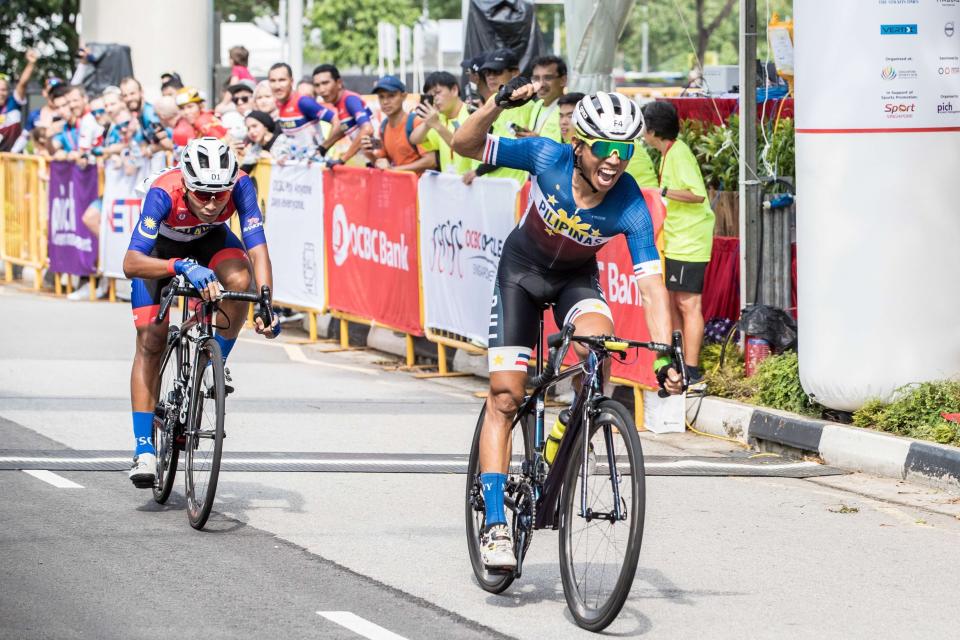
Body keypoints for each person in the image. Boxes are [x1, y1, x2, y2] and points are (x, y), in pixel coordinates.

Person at [451, 82, 684, 569]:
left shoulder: (631, 204)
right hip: (519, 276)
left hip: (575, 281)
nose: (614, 160)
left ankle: (581, 419)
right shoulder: (544, 156)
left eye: (624, 149)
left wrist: (665, 353)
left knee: (598, 348)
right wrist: (498, 104)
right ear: (578, 144)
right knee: (507, 396)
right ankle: (496, 524)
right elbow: (464, 145)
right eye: (603, 147)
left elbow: (651, 287)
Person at [122, 138, 279, 486]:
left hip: (210, 241)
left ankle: (214, 359)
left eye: (219, 195)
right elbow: (131, 263)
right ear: (186, 185)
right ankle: (144, 448)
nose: (211, 203)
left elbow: (257, 246)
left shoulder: (240, 185)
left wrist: (267, 302)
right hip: (162, 255)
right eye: (202, 194)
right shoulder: (163, 193)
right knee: (151, 339)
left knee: (241, 282)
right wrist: (180, 266)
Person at [641, 100, 716, 384]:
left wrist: (664, 191)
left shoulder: (679, 154)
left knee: (688, 304)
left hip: (690, 241)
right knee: (675, 302)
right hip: (678, 239)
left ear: (653, 130)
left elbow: (697, 194)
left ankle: (693, 369)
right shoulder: (669, 152)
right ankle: (681, 361)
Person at [470, 49, 534, 186]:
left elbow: (507, 148)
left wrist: (478, 172)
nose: (490, 77)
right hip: (495, 186)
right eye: (487, 72)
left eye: (497, 71)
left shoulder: (522, 104)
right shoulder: (495, 102)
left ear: (515, 72)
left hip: (514, 187)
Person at [361, 75, 436, 174]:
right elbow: (383, 163)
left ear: (403, 96)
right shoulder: (383, 127)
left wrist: (394, 170)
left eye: (391, 96)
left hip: (421, 187)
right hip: (399, 186)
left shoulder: (415, 122)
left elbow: (431, 161)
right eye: (381, 97)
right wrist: (369, 154)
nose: (385, 102)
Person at [409, 71, 477, 178]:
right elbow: (414, 139)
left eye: (437, 92)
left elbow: (463, 147)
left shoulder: (471, 114)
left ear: (454, 90)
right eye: (430, 96)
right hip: (449, 185)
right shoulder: (438, 118)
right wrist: (428, 123)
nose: (435, 99)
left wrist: (437, 125)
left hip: (473, 182)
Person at [269, 62, 336, 160]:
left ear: (291, 81)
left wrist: (323, 148)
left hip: (316, 167)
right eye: (273, 81)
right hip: (299, 168)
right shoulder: (280, 104)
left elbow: (337, 121)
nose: (277, 86)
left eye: (282, 80)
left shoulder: (303, 102)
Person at [313, 63, 374, 163]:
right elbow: (344, 127)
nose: (321, 90)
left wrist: (342, 160)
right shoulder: (340, 103)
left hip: (379, 161)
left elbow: (367, 129)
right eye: (317, 85)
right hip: (370, 161)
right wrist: (323, 148)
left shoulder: (350, 99)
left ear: (339, 82)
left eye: (325, 83)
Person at [525, 55, 567, 142]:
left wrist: (539, 141)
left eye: (548, 78)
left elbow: (573, 149)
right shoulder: (538, 105)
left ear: (563, 80)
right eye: (536, 78)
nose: (541, 84)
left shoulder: (571, 109)